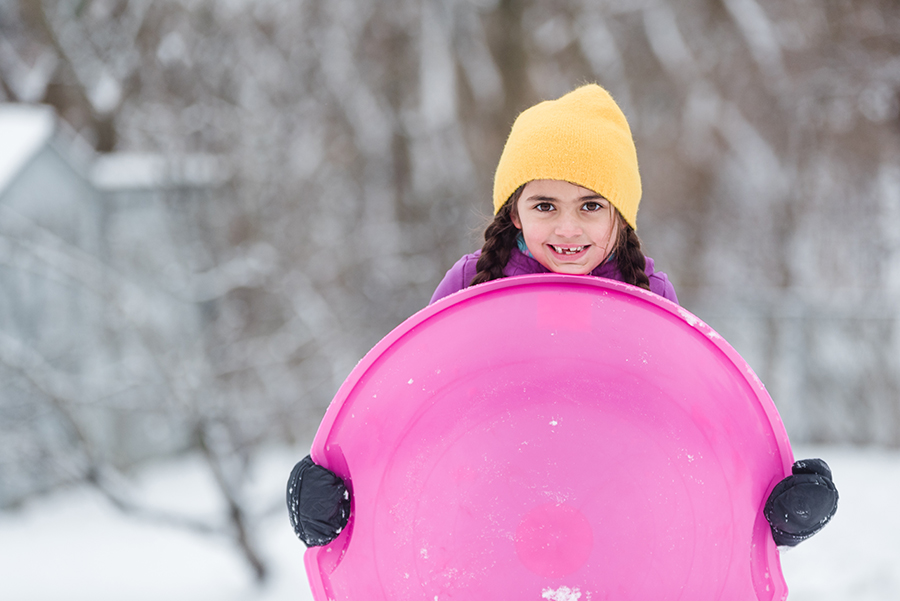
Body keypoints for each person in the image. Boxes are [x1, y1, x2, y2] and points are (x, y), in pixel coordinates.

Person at [286, 84, 837, 550]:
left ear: (620, 216)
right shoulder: (471, 287)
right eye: (545, 205)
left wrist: (778, 504)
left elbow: (691, 433)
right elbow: (415, 410)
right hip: (484, 523)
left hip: (616, 528)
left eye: (591, 205)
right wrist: (331, 490)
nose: (568, 229)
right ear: (515, 211)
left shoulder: (649, 300)